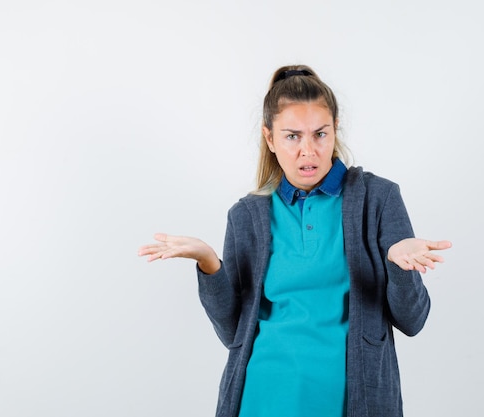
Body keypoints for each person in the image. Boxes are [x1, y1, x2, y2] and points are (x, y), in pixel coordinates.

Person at [138, 65, 452, 417]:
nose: (309, 150)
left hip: (351, 400)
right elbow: (232, 334)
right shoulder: (245, 215)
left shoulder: (378, 198)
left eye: (320, 134)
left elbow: (413, 320)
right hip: (263, 397)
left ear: (335, 132)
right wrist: (209, 264)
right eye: (292, 136)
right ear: (270, 139)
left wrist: (399, 265)